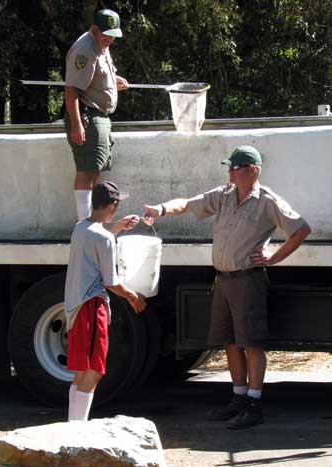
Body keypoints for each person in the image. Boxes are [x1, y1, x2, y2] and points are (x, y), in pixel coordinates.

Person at [143, 145, 311, 429]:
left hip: (248, 281)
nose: (230, 172)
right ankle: (238, 399)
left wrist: (275, 257)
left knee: (251, 344)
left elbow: (301, 228)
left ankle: (254, 405)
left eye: (235, 167)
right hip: (222, 280)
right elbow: (187, 204)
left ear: (252, 170)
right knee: (230, 343)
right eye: (229, 168)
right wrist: (160, 209)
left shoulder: (267, 201)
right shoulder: (223, 196)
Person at [65, 180, 146, 421]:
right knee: (94, 370)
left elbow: (97, 240)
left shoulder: (81, 227)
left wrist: (118, 227)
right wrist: (133, 297)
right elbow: (111, 282)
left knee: (81, 369)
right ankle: (77, 431)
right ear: (113, 204)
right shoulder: (103, 238)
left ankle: (71, 426)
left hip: (76, 306)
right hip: (92, 306)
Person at [64, 9, 129, 221]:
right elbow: (71, 89)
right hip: (87, 115)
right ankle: (85, 225)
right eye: (106, 34)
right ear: (94, 29)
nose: (110, 38)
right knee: (86, 170)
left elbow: (97, 74)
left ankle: (89, 223)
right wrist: (76, 124)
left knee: (94, 169)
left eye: (113, 35)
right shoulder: (85, 50)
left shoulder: (101, 45)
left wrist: (113, 79)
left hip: (99, 116)